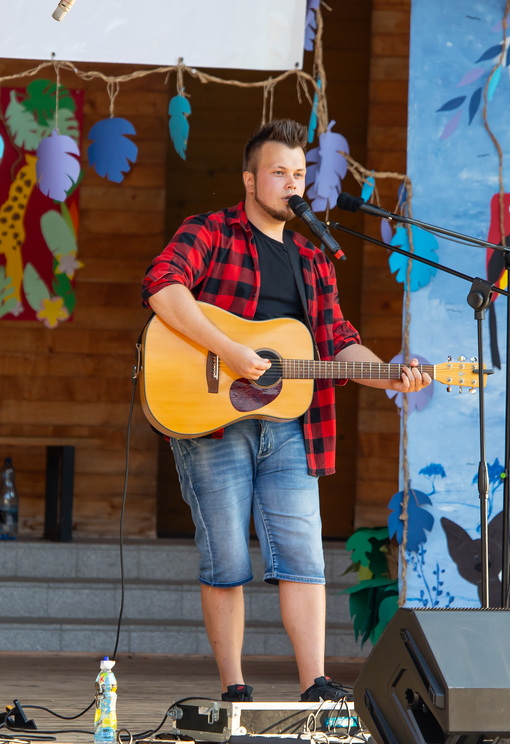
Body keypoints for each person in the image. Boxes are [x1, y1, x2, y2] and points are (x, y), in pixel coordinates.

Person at [141, 118, 431, 703]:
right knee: (225, 556)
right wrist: (230, 351)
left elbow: (338, 339)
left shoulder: (312, 258)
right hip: (212, 419)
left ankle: (316, 686)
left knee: (302, 553)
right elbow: (162, 286)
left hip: (291, 425)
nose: (292, 185)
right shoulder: (211, 232)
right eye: (279, 173)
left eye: (299, 175)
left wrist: (387, 373)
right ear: (250, 179)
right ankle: (235, 689)